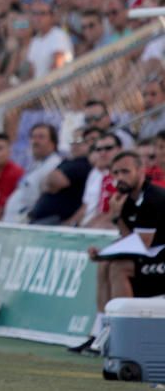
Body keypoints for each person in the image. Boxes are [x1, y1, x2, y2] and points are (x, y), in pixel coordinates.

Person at [70, 151, 165, 354]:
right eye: (115, 173)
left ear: (141, 171)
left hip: (159, 256)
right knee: (105, 265)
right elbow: (128, 238)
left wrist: (108, 252)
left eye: (125, 172)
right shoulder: (126, 199)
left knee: (119, 268)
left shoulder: (153, 198)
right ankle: (99, 333)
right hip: (151, 256)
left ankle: (127, 337)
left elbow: (142, 245)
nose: (119, 177)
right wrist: (116, 218)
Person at [29, 127, 99, 225]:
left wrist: (49, 183)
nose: (75, 144)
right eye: (72, 141)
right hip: (44, 219)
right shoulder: (69, 161)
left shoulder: (83, 164)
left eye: (79, 141)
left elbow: (56, 181)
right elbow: (45, 183)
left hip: (56, 220)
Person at [2, 124, 62, 223]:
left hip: (28, 227)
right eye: (33, 137)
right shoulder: (36, 164)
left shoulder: (55, 166)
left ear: (53, 143)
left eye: (41, 137)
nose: (35, 141)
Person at [25, 1, 73, 79]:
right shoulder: (34, 41)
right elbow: (31, 71)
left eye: (42, 13)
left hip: (59, 87)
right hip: (41, 88)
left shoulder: (58, 35)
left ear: (52, 17)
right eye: (35, 14)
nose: (38, 18)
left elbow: (58, 65)